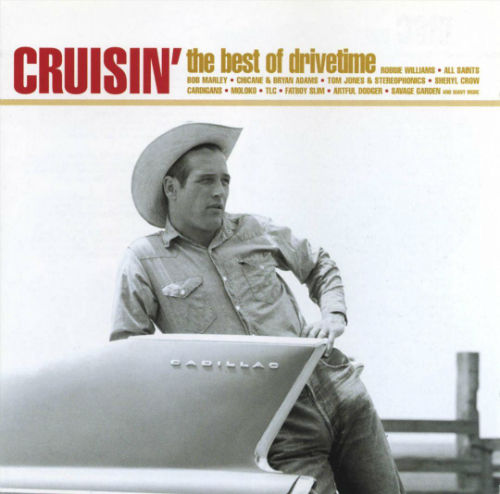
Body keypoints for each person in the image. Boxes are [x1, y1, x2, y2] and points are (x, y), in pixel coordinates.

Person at [111, 122, 404, 494]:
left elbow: (319, 264)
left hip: (339, 391)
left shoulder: (255, 229)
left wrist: (333, 315)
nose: (219, 192)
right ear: (171, 187)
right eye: (205, 181)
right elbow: (129, 357)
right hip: (273, 429)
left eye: (225, 181)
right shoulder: (144, 260)